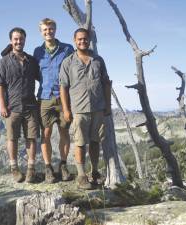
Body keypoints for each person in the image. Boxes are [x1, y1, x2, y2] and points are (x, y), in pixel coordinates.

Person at [59, 28, 111, 189]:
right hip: (79, 109)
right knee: (80, 143)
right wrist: (66, 110)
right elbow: (63, 87)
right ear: (75, 40)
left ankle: (94, 172)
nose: (83, 41)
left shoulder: (98, 60)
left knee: (95, 142)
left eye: (85, 39)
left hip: (98, 108)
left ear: (89, 40)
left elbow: (106, 83)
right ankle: (81, 175)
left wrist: (108, 105)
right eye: (79, 39)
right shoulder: (68, 62)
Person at [0, 27, 40, 183]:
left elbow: (42, 79)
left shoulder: (31, 61)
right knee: (12, 138)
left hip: (30, 106)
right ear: (11, 41)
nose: (18, 41)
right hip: (12, 107)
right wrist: (2, 106)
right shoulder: (4, 62)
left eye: (21, 39)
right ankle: (14, 169)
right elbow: (0, 85)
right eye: (15, 39)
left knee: (31, 137)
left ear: (25, 40)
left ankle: (30, 169)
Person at [33, 18, 74, 183]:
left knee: (64, 132)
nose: (48, 32)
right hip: (44, 97)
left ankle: (63, 165)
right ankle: (48, 167)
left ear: (55, 30)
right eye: (45, 30)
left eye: (50, 29)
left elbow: (73, 70)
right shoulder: (37, 52)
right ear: (41, 32)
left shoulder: (67, 49)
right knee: (46, 133)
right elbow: (35, 73)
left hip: (63, 97)